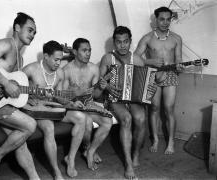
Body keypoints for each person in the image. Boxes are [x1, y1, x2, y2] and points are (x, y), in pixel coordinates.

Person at [0, 12, 40, 179]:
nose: (32, 35)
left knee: (20, 142)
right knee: (30, 125)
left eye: (34, 32)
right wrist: (5, 83)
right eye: (30, 30)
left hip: (0, 104)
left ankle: (34, 177)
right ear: (17, 27)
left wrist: (26, 96)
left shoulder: (21, 58)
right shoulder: (6, 44)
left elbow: (12, 90)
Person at [22, 40, 86, 179]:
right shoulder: (31, 69)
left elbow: (59, 96)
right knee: (49, 127)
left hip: (54, 108)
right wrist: (27, 99)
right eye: (56, 59)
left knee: (81, 118)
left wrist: (71, 104)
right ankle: (56, 171)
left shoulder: (60, 74)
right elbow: (14, 86)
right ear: (45, 56)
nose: (58, 63)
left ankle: (71, 159)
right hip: (38, 111)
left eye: (60, 59)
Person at [134, 6, 183, 155]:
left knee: (169, 109)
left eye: (168, 19)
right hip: (153, 75)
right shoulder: (148, 38)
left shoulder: (176, 38)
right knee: (154, 108)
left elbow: (179, 59)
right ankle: (155, 140)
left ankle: (171, 143)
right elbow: (135, 58)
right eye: (162, 19)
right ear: (156, 19)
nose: (165, 22)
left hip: (170, 75)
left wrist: (179, 66)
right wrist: (150, 61)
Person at [99, 26, 146, 179]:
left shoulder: (137, 59)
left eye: (125, 41)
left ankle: (136, 153)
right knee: (127, 119)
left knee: (140, 118)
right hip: (115, 98)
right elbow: (99, 82)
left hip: (132, 97)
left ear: (130, 42)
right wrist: (108, 87)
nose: (122, 45)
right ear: (114, 42)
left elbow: (143, 83)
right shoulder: (108, 58)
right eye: (119, 42)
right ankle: (128, 163)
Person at [62, 38, 113, 171]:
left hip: (89, 104)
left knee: (108, 121)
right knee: (88, 123)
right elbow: (61, 95)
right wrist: (74, 97)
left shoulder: (93, 69)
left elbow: (95, 95)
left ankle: (90, 151)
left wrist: (101, 88)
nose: (88, 53)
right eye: (84, 50)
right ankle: (86, 150)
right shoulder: (67, 70)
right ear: (74, 52)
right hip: (73, 106)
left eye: (89, 50)